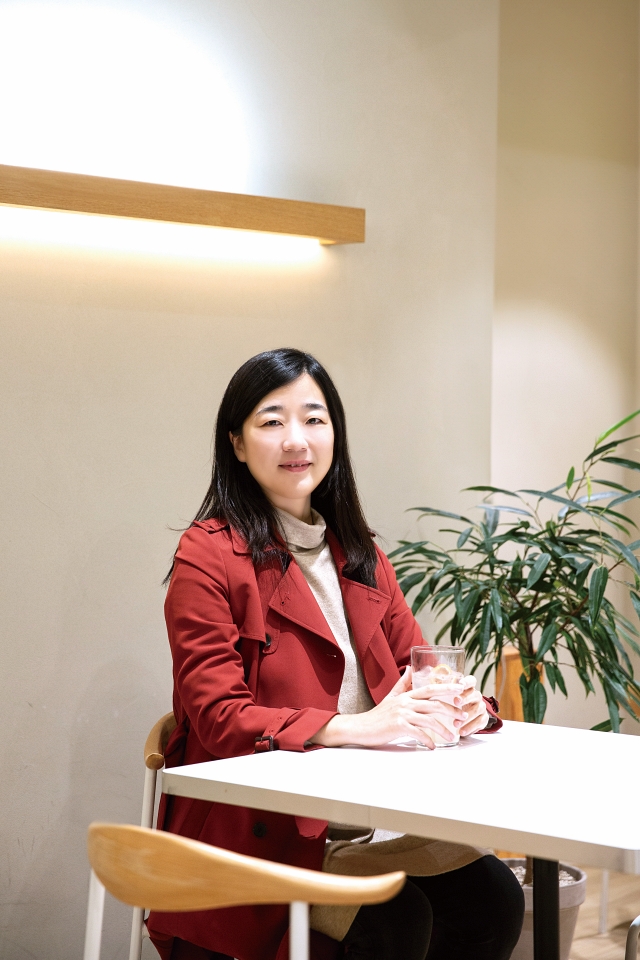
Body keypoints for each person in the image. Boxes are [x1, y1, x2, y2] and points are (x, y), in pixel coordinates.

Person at [148, 349, 524, 960]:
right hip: (261, 835)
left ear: (335, 435)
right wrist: (358, 726)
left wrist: (464, 705)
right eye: (272, 421)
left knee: (494, 900)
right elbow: (218, 718)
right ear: (236, 443)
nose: (296, 439)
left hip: (366, 821)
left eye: (314, 419)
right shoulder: (209, 554)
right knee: (394, 920)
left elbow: (419, 671)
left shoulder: (359, 552)